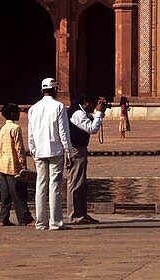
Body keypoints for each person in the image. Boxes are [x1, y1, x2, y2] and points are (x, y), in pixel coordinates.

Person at [27, 77, 71, 230]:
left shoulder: (33, 108)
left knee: (40, 185)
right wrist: (69, 152)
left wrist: (33, 151)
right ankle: (56, 222)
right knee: (54, 186)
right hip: (55, 150)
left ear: (41, 91)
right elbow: (63, 132)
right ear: (55, 90)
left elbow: (30, 134)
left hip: (39, 151)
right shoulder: (59, 106)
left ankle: (41, 222)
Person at [67, 94, 107, 224]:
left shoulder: (80, 111)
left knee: (82, 184)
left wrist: (98, 113)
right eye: (93, 103)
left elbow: (90, 119)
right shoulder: (77, 113)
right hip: (76, 150)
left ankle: (82, 213)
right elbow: (92, 128)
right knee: (75, 183)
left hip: (80, 149)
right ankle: (75, 215)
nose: (94, 106)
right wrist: (99, 113)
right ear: (85, 102)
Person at [0, 103, 33, 226]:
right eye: (17, 112)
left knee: (6, 194)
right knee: (19, 193)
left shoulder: (3, 128)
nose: (19, 114)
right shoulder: (15, 128)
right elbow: (19, 148)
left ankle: (4, 217)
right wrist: (23, 164)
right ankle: (25, 218)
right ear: (13, 114)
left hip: (3, 164)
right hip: (13, 165)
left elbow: (1, 148)